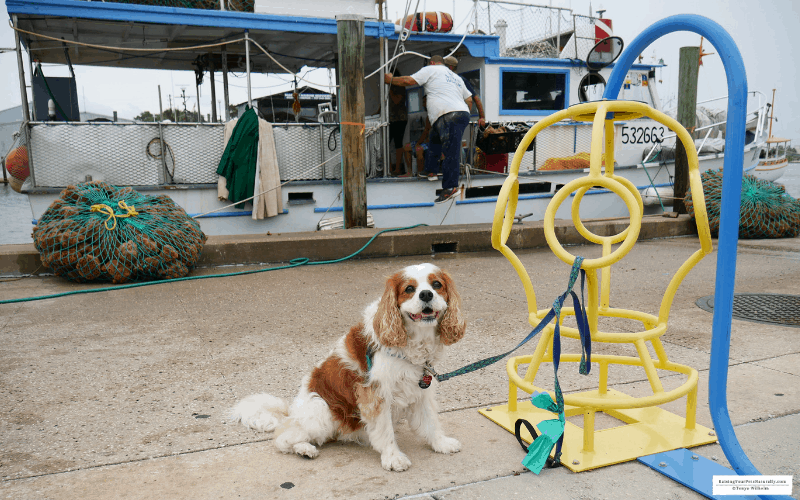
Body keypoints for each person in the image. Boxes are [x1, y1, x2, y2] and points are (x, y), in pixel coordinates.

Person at [384, 55, 471, 204]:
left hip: (448, 115)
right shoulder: (455, 77)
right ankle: (430, 170)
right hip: (455, 115)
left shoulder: (431, 69)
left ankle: (450, 188)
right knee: (434, 139)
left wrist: (390, 80)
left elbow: (408, 81)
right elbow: (469, 99)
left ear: (432, 62)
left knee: (451, 150)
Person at [443, 56, 485, 128]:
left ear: (450, 67)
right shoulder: (457, 80)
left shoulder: (459, 80)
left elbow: (475, 98)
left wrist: (482, 117)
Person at [388, 69, 408, 176]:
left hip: (400, 118)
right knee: (386, 143)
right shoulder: (390, 88)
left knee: (398, 143)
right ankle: (390, 167)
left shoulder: (400, 87)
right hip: (391, 119)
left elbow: (396, 101)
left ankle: (398, 169)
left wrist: (390, 89)